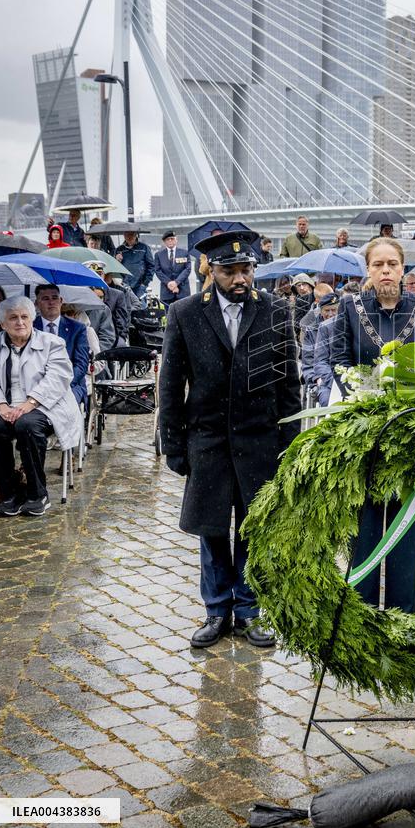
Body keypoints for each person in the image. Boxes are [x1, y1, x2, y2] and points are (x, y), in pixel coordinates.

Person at [159, 230, 301, 648]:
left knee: (255, 530)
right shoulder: (185, 313)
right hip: (208, 442)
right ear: (211, 271)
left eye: (246, 270)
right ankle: (216, 610)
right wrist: (173, 444)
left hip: (260, 442)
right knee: (213, 530)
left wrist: (291, 442)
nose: (240, 279)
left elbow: (289, 385)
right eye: (230, 271)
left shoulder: (276, 311)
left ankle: (250, 610)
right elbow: (171, 383)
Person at [331, 238, 415, 613]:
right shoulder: (350, 307)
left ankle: (402, 613)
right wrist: (365, 396)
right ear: (368, 270)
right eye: (378, 265)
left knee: (406, 528)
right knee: (364, 524)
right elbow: (339, 358)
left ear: (403, 267)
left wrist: (408, 397)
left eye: (392, 264)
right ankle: (361, 612)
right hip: (365, 433)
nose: (385, 271)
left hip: (410, 432)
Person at [0, 296, 81, 516]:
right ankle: (9, 494)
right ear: (3, 323)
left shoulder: (53, 343)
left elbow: (59, 377)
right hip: (5, 405)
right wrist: (0, 404)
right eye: (13, 318)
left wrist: (30, 402)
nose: (20, 322)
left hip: (46, 405)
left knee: (27, 426)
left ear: (32, 319)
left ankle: (37, 494)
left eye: (24, 317)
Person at [32, 284, 89, 405]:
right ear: (36, 303)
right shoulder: (30, 327)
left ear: (61, 301)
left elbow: (81, 364)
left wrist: (61, 383)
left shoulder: (77, 328)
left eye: (54, 298)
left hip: (70, 384)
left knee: (64, 405)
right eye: (45, 299)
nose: (51, 302)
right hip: (36, 384)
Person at [310, 293, 341, 406]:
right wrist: (316, 378)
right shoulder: (319, 328)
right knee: (330, 402)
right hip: (327, 379)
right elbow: (318, 361)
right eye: (327, 311)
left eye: (334, 310)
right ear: (321, 311)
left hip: (352, 379)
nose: (331, 314)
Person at [87, 265, 130, 346]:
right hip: (89, 334)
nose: (96, 277)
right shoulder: (81, 294)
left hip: (111, 334)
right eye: (92, 274)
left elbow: (121, 322)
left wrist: (120, 337)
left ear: (104, 275)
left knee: (121, 345)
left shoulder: (117, 295)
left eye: (99, 274)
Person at [116, 231, 155, 304]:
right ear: (124, 235)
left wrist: (145, 283)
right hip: (124, 286)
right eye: (127, 234)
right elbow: (114, 268)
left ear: (136, 235)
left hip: (140, 286)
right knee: (125, 309)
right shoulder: (119, 249)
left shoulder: (144, 247)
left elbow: (151, 266)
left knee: (141, 310)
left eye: (131, 234)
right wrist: (116, 260)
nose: (129, 237)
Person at [154, 230, 191, 305]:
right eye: (168, 239)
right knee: (168, 315)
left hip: (183, 291)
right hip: (166, 291)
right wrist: (169, 283)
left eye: (172, 239)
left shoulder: (185, 253)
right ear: (164, 242)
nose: (170, 241)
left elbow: (187, 269)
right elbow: (158, 271)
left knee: (183, 314)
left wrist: (176, 282)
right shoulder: (158, 255)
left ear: (176, 240)